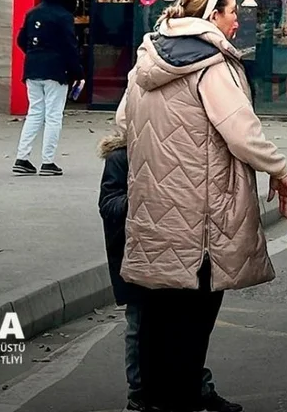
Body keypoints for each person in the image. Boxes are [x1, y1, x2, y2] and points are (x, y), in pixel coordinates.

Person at [116, 0, 287, 412]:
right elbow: (242, 133)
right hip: (201, 218)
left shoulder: (147, 58)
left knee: (158, 315)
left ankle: (153, 398)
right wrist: (280, 169)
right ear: (212, 16)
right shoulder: (213, 65)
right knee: (195, 319)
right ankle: (184, 399)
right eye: (233, 12)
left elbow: (122, 125)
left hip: (154, 212)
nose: (238, 20)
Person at [98, 128, 239, 412]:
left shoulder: (175, 155)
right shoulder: (121, 156)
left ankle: (195, 387)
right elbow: (109, 204)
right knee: (139, 326)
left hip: (172, 254)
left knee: (185, 330)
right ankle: (138, 392)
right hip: (134, 257)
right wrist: (144, 197)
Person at [14, 0, 83, 176]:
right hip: (56, 71)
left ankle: (22, 157)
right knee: (53, 116)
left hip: (32, 69)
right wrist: (78, 71)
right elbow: (70, 47)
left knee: (34, 113)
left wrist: (35, 55)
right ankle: (47, 161)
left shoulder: (32, 13)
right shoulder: (64, 16)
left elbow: (21, 39)